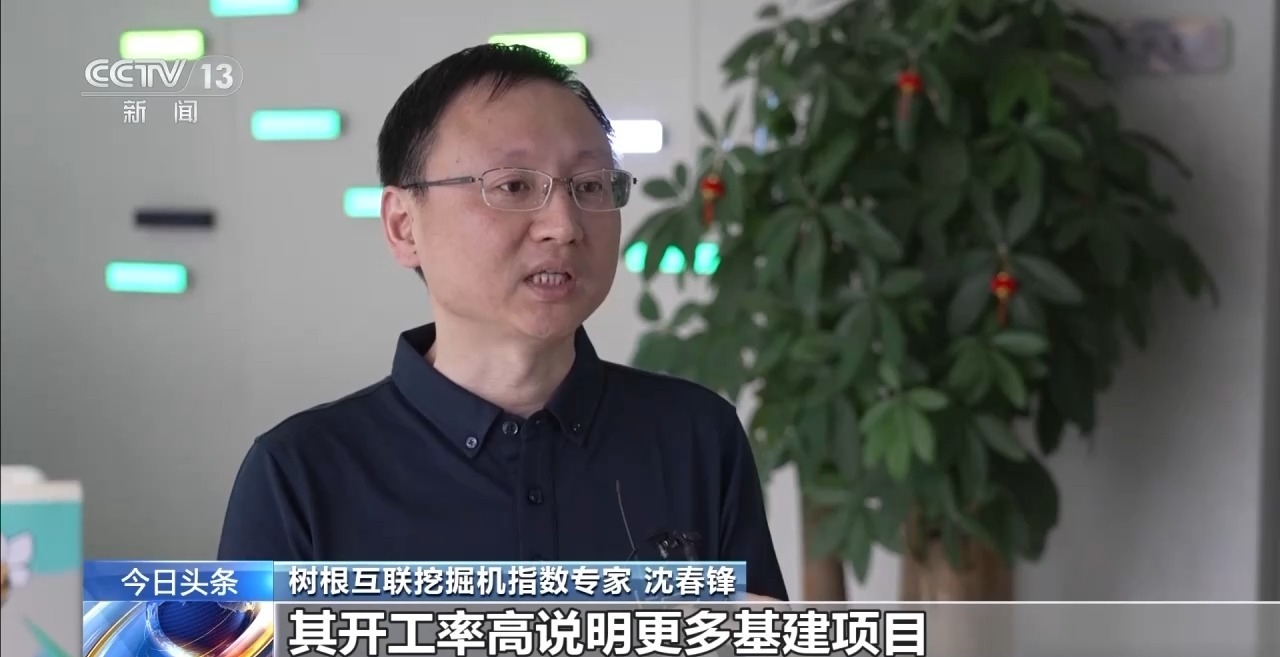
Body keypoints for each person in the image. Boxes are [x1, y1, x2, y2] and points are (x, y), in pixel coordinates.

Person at [217, 43, 788, 601]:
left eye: (590, 186)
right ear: (403, 225)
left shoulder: (697, 436)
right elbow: (211, 640)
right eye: (514, 186)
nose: (564, 225)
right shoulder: (296, 474)